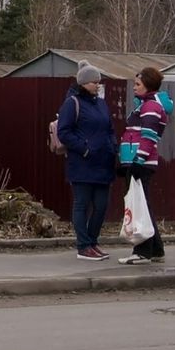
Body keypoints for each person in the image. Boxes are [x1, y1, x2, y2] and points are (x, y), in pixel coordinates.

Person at [55, 62, 117, 261]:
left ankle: (92, 241)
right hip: (82, 163)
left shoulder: (100, 103)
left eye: (99, 81)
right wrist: (85, 149)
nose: (97, 85)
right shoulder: (72, 103)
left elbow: (109, 128)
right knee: (82, 204)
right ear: (83, 83)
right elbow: (64, 132)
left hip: (103, 162)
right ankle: (83, 245)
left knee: (101, 205)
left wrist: (112, 147)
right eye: (93, 82)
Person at [117, 66, 175, 264]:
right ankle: (156, 249)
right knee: (144, 206)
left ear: (148, 85)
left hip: (140, 164)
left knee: (140, 208)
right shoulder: (144, 105)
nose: (134, 87)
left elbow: (148, 136)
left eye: (138, 84)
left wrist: (137, 161)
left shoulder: (150, 107)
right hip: (136, 162)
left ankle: (142, 251)